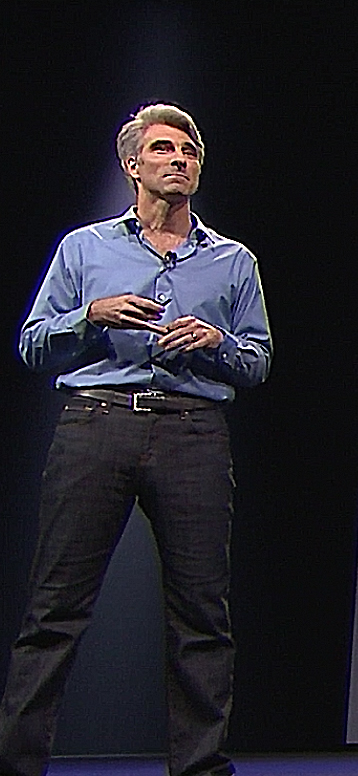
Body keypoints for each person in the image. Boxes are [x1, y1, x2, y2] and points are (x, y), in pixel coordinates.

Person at [0, 104, 271, 776]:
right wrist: (92, 315)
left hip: (192, 431)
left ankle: (199, 768)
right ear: (132, 166)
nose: (180, 159)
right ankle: (17, 763)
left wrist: (216, 342)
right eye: (163, 149)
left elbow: (257, 361)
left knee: (201, 614)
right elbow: (33, 344)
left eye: (189, 151)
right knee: (55, 609)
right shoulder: (84, 249)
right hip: (97, 423)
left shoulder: (233, 261)